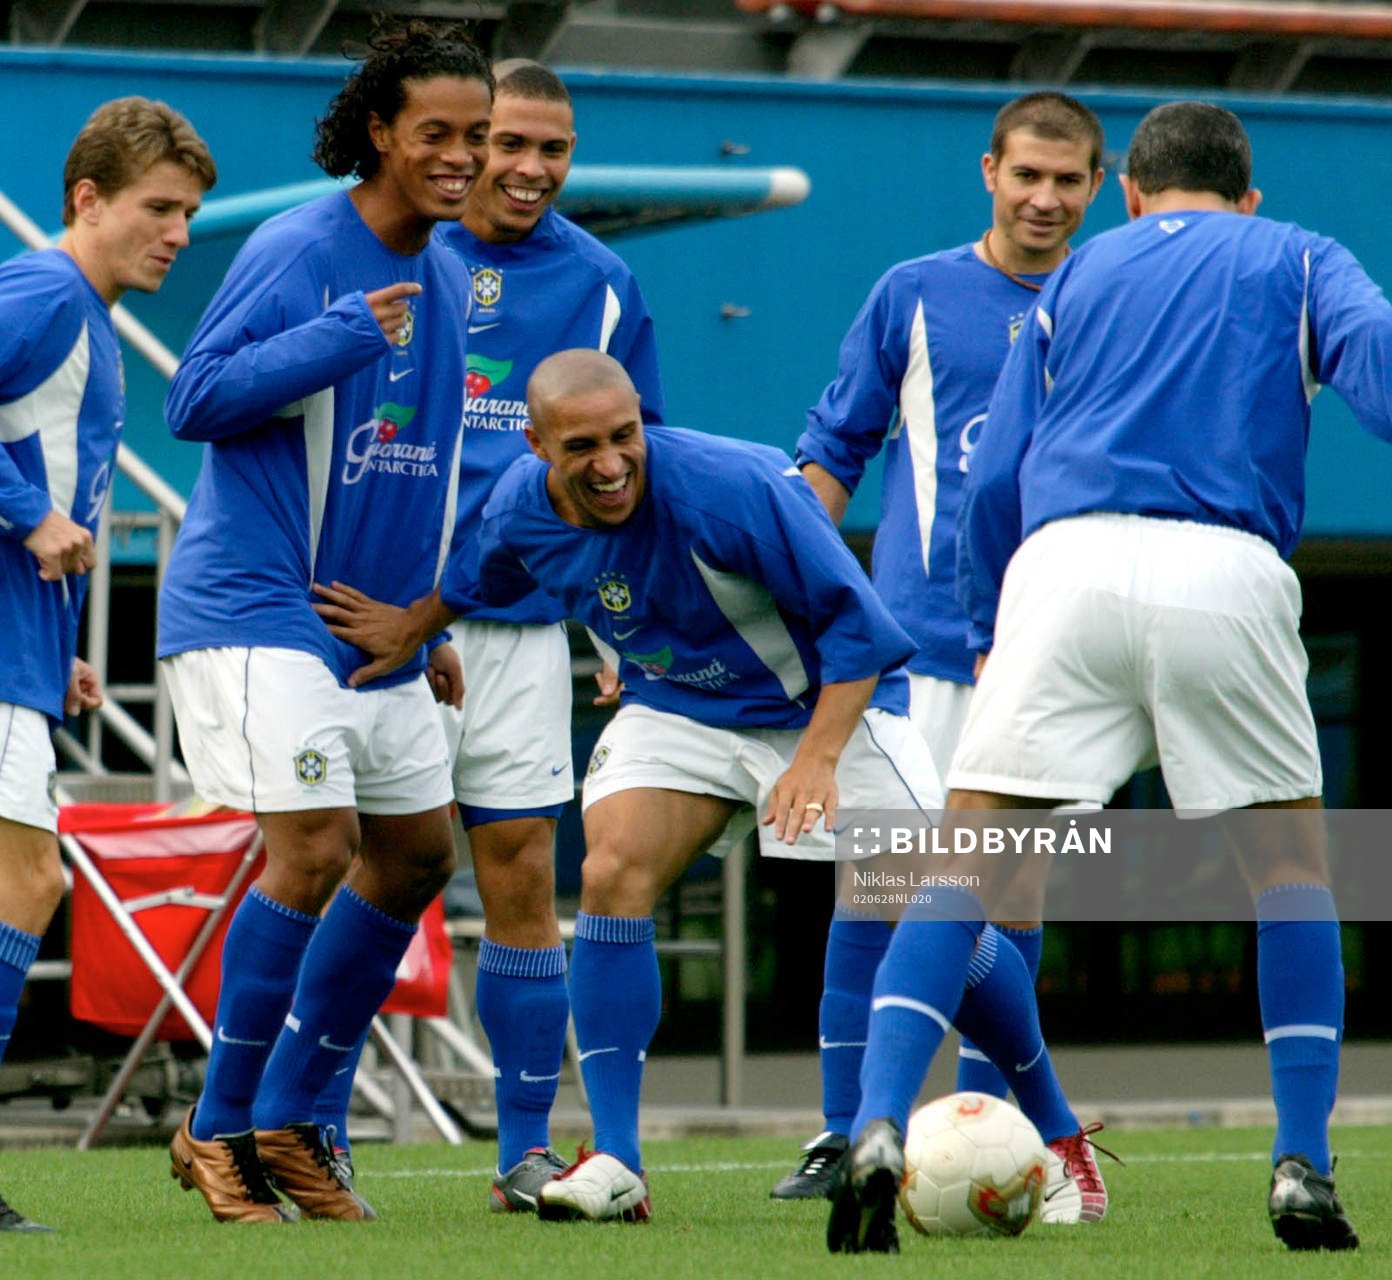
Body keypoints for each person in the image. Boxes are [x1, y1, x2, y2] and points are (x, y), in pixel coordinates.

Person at [829, 100, 1386, 1254]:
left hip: (1061, 566)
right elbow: (1380, 378)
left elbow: (998, 477)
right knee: (1289, 871)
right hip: (1225, 566)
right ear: (1248, 196)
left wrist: (990, 615)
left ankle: (877, 1125)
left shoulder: (1071, 281)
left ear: (1129, 190)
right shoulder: (1300, 256)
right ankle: (1302, 1164)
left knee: (962, 862)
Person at [467, 348, 1096, 1226]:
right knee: (611, 870)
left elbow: (861, 632)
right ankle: (618, 1157)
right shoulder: (516, 506)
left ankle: (1062, 1141)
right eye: (582, 447)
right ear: (536, 446)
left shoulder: (739, 485)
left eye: (624, 436)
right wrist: (416, 633)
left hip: (827, 704)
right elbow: (478, 578)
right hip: (684, 709)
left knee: (932, 908)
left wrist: (816, 759)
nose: (609, 464)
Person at [308, 59, 663, 1214]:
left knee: (520, 873)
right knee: (362, 869)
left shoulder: (605, 282)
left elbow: (630, 471)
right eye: (509, 143)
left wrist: (626, 623)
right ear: (464, 141)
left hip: (513, 627)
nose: (527, 168)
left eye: (552, 150)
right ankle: (306, 1119)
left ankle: (520, 1148)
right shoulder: (404, 250)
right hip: (378, 615)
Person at [155, 19, 492, 1224]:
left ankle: (296, 1113)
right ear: (379, 134)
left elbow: (422, 461)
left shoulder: (451, 273)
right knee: (312, 843)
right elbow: (193, 398)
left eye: (478, 135)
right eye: (437, 134)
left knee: (417, 854)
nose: (463, 157)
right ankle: (216, 1125)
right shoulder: (300, 245)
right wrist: (348, 330)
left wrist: (429, 613)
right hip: (256, 602)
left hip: (378, 625)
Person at [773, 91, 1106, 1203]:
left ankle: (1000, 1146)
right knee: (878, 892)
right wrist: (796, 598)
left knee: (1009, 909)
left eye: (1068, 180)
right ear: (989, 171)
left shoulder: (1110, 301)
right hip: (919, 656)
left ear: (1098, 187)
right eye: (1028, 175)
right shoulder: (912, 294)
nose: (1046, 198)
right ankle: (840, 1138)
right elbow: (832, 453)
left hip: (1054, 655)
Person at [0, 97, 214, 1234]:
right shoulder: (44, 291)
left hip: (22, 654)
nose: (178, 232)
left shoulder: (80, 310)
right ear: (85, 200)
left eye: (189, 213)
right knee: (27, 882)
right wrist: (28, 511)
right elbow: (33, 490)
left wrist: (64, 649)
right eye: (158, 208)